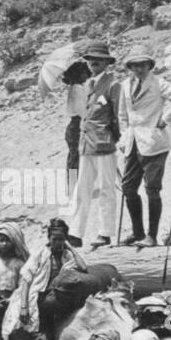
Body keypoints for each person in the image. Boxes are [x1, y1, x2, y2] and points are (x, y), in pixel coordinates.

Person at [2, 217, 88, 340]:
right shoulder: (40, 253)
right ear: (49, 238)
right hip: (29, 301)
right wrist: (24, 307)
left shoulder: (66, 256)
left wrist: (70, 247)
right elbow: (25, 280)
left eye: (61, 238)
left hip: (47, 307)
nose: (57, 242)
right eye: (55, 238)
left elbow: (83, 268)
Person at [117, 45, 171, 247]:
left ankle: (152, 235)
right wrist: (124, 137)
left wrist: (165, 120)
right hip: (133, 143)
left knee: (152, 189)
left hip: (154, 143)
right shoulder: (125, 85)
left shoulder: (158, 83)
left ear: (149, 65)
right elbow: (123, 115)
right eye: (134, 66)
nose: (139, 69)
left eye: (142, 65)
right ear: (130, 67)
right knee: (128, 188)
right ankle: (138, 232)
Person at [67, 42, 121, 250]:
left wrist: (114, 138)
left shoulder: (113, 85)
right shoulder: (88, 84)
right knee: (83, 188)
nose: (94, 63)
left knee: (107, 188)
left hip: (104, 142)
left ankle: (105, 232)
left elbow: (117, 116)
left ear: (107, 63)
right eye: (90, 59)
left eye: (98, 60)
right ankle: (76, 232)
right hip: (86, 143)